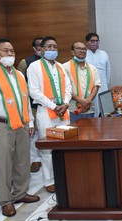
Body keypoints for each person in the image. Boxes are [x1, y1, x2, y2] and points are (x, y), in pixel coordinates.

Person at [0, 39, 40, 217]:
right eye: (6, 51)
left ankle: (21, 193)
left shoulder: (18, 74)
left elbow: (25, 100)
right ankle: (5, 200)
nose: (10, 54)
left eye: (12, 51)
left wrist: (30, 121)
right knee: (3, 164)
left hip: (22, 123)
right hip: (0, 125)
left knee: (22, 161)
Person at [27, 36, 72, 193]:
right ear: (41, 49)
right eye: (49, 47)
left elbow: (68, 87)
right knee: (47, 148)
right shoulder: (34, 67)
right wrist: (54, 106)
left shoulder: (60, 66)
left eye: (55, 47)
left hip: (63, 112)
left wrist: (65, 103)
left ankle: (64, 176)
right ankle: (49, 181)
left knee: (64, 145)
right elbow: (34, 92)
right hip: (46, 112)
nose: (52, 50)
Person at [17, 36, 43, 173]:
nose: (41, 48)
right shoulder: (25, 62)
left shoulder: (51, 62)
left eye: (43, 45)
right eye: (39, 45)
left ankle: (44, 158)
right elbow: (19, 84)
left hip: (48, 105)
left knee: (44, 133)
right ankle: (34, 160)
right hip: (31, 104)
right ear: (34, 48)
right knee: (33, 133)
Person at [63, 42, 101, 123]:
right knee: (74, 133)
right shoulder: (64, 67)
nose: (82, 51)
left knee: (90, 134)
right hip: (72, 109)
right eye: (78, 48)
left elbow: (96, 86)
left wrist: (87, 101)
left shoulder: (92, 68)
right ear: (72, 52)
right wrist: (81, 101)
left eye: (84, 49)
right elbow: (65, 88)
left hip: (89, 108)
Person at [85, 33, 111, 117]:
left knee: (105, 113)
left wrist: (105, 86)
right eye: (92, 41)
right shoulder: (83, 54)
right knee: (92, 113)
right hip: (89, 89)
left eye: (97, 41)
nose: (95, 43)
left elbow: (108, 72)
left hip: (103, 87)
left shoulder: (104, 54)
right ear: (87, 42)